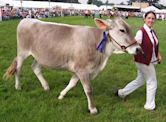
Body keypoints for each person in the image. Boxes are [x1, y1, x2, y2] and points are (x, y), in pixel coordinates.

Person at [116, 11, 162, 111]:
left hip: (147, 60)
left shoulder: (152, 30)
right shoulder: (141, 32)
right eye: (149, 18)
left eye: (153, 18)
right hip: (143, 61)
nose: (151, 20)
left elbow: (154, 44)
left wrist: (158, 54)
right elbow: (134, 45)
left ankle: (121, 93)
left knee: (140, 80)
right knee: (152, 81)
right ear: (144, 19)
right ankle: (149, 106)